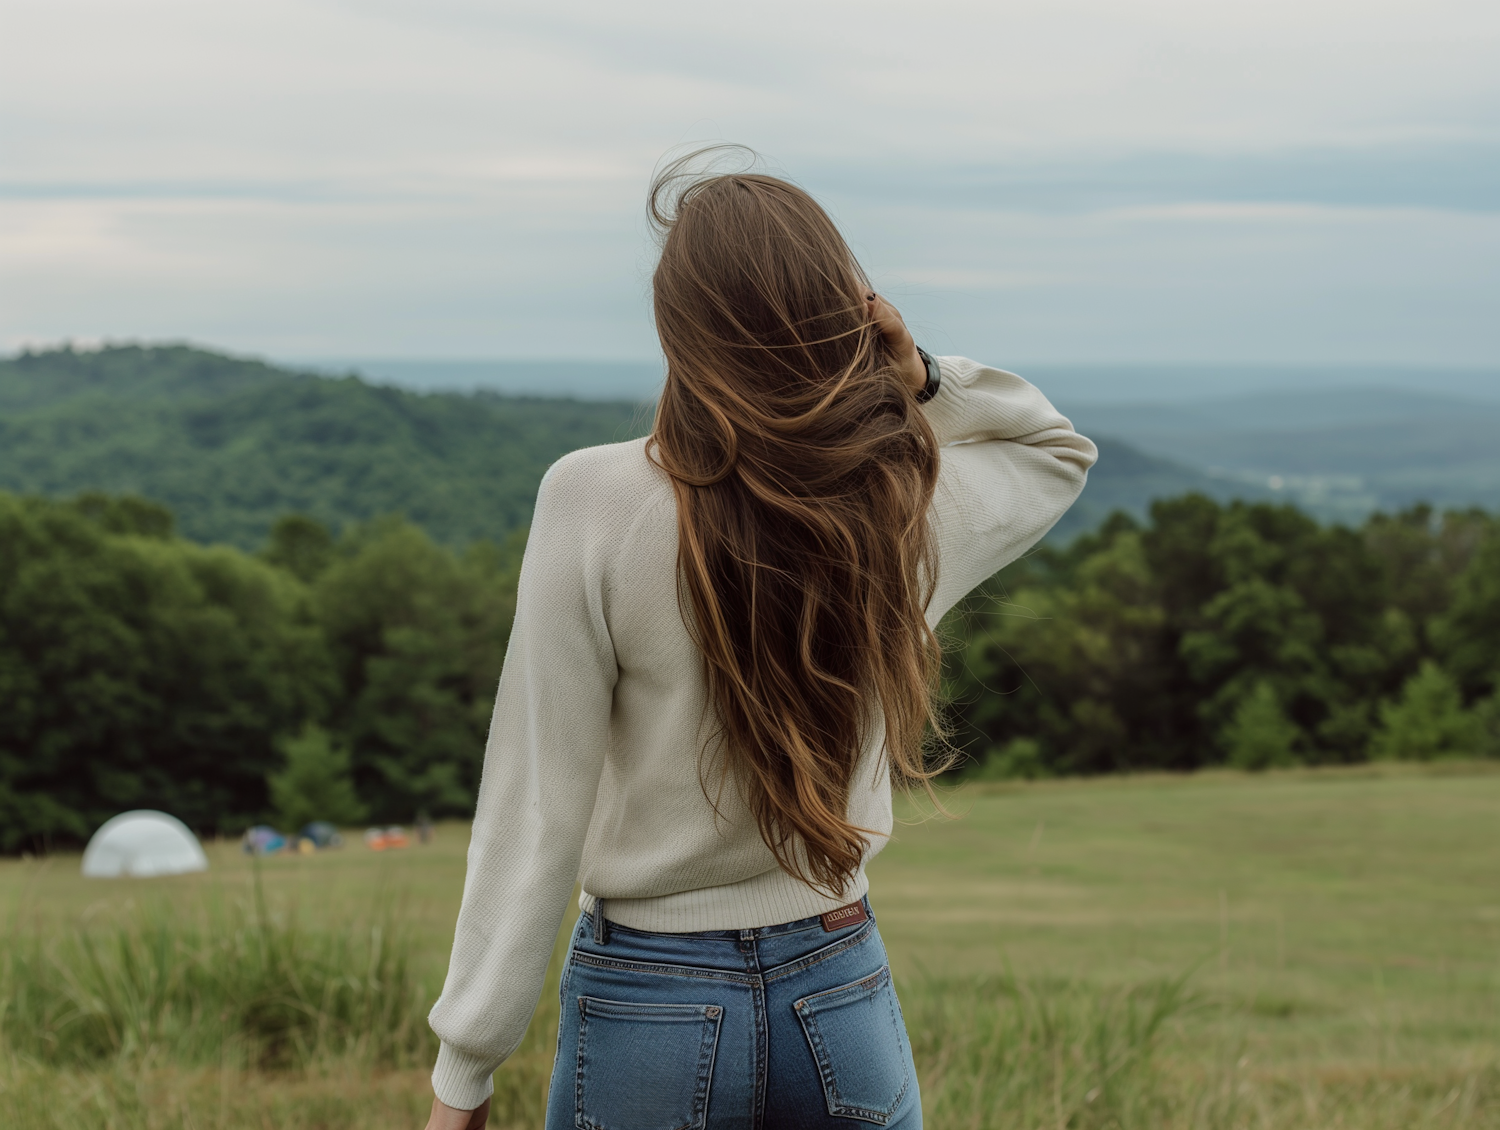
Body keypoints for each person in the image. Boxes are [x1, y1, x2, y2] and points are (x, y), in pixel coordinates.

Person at [422, 151, 1097, 1130]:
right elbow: (1054, 450)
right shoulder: (901, 504)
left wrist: (466, 1067)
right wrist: (923, 376)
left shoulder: (592, 501)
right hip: (839, 982)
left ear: (680, 333)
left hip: (646, 999)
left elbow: (535, 802)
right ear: (852, 315)